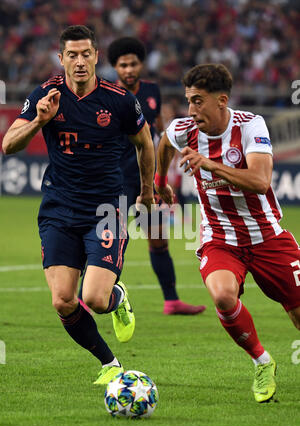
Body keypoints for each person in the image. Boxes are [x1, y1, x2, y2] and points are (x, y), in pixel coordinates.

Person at [2, 25, 155, 385]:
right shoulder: (46, 95)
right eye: (72, 54)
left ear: (97, 56)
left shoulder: (118, 100)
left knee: (96, 299)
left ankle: (116, 298)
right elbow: (9, 144)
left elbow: (145, 143)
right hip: (59, 208)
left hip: (106, 210)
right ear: (61, 58)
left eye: (86, 53)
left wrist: (147, 190)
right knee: (63, 300)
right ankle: (110, 363)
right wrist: (40, 119)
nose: (80, 61)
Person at [155, 63, 300, 403]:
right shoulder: (185, 129)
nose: (191, 110)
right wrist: (160, 183)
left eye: (198, 101)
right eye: (189, 100)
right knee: (222, 295)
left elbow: (261, 181)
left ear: (221, 100)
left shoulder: (250, 126)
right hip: (220, 237)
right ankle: (262, 361)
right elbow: (163, 141)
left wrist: (211, 165)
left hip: (266, 235)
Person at [106, 36, 206, 316]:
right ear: (115, 67)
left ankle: (171, 301)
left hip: (146, 180)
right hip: (114, 180)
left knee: (158, 239)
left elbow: (160, 132)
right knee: (109, 241)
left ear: (141, 65)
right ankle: (83, 300)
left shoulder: (151, 91)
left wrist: (162, 176)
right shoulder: (106, 96)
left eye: (133, 64)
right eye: (123, 65)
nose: (128, 70)